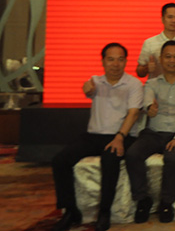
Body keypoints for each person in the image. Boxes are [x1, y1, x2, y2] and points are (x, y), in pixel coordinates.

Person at [51, 43, 142, 231]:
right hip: (94, 135)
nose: (115, 64)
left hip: (122, 135)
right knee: (60, 160)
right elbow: (89, 90)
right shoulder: (95, 82)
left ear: (126, 61)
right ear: (103, 61)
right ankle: (70, 211)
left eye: (120, 59)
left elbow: (133, 113)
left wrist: (119, 137)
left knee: (110, 159)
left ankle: (104, 212)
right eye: (111, 59)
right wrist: (88, 90)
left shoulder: (134, 84)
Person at [126, 40, 175, 223]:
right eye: (168, 57)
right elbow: (148, 101)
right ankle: (142, 200)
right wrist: (150, 108)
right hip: (153, 132)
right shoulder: (151, 83)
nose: (172, 61)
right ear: (160, 59)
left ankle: (166, 203)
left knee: (173, 158)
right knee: (133, 154)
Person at [136, 3, 175, 79]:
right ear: (162, 19)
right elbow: (139, 72)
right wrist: (147, 68)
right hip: (156, 85)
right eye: (170, 17)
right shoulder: (149, 43)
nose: (174, 21)